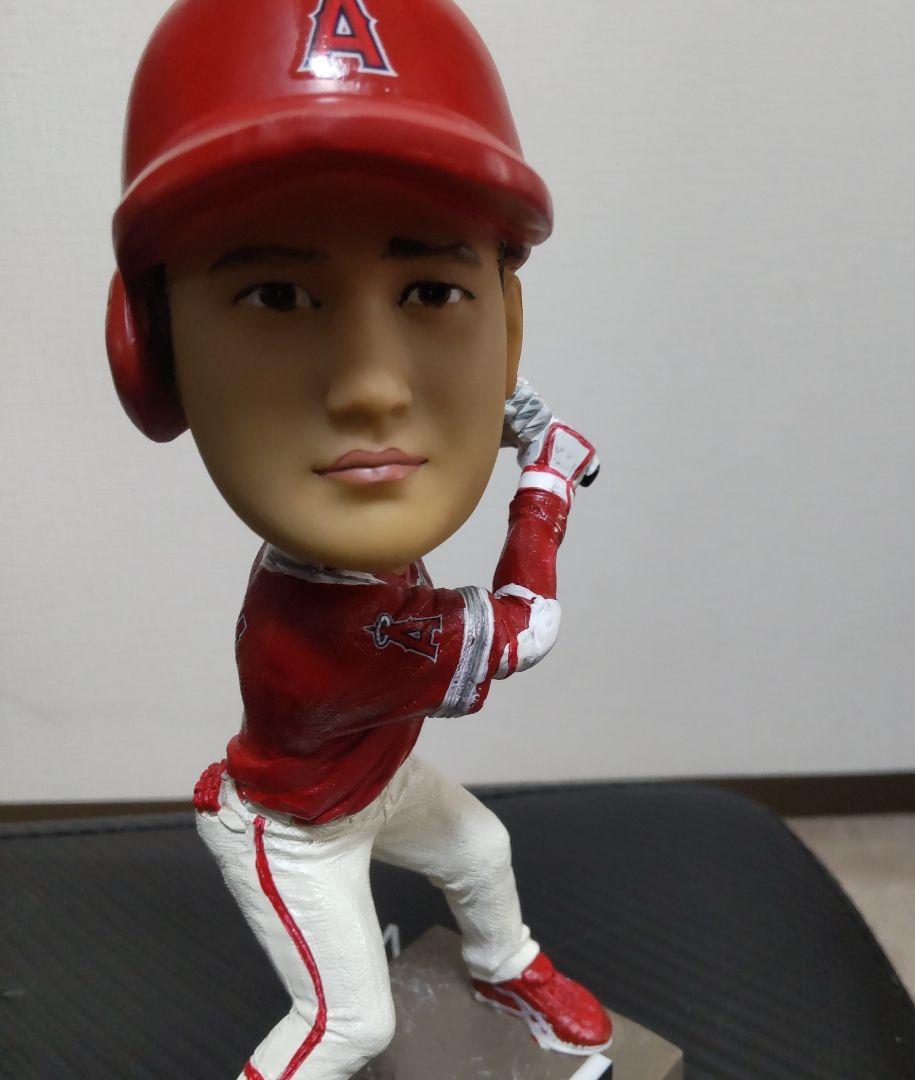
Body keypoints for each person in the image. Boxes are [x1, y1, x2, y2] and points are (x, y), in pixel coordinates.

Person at [105, 2, 611, 1077]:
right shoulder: (342, 624)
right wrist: (546, 488)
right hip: (291, 832)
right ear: (155, 358)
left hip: (369, 776)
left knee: (480, 850)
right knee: (351, 1027)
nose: (375, 388)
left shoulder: (356, 541)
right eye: (277, 296)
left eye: (431, 290)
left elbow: (471, 395)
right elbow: (525, 629)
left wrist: (517, 417)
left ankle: (504, 964)